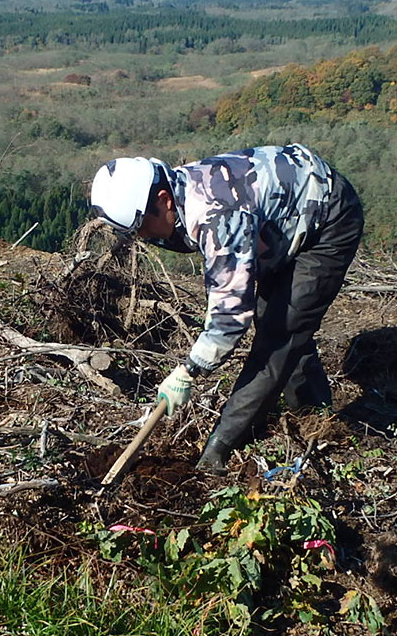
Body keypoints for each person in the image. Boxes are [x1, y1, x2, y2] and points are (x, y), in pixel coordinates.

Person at [89, 143, 364, 472]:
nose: (143, 237)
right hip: (277, 223)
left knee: (280, 333)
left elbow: (230, 318)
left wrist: (188, 370)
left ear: (163, 200)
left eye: (143, 227)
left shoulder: (216, 214)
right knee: (278, 317)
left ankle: (224, 443)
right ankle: (312, 409)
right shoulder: (177, 192)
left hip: (326, 219)